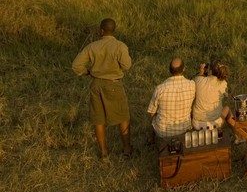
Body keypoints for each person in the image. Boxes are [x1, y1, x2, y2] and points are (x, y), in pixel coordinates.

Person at [71, 18, 135, 159]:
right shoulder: (120, 46)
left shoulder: (92, 47)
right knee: (123, 116)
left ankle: (104, 152)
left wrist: (87, 72)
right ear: (114, 30)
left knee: (98, 119)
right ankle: (127, 148)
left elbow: (76, 65)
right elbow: (127, 66)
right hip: (114, 84)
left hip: (96, 84)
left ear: (101, 31)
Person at [147, 58, 196, 141]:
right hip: (185, 130)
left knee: (153, 118)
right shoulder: (192, 85)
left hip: (163, 132)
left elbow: (151, 113)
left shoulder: (160, 88)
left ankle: (151, 140)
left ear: (169, 71)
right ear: (184, 69)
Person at [192, 60, 234, 130]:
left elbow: (197, 80)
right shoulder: (223, 84)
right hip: (215, 124)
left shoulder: (198, 80)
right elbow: (226, 96)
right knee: (226, 109)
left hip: (197, 125)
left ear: (210, 71)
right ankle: (238, 135)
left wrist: (201, 72)